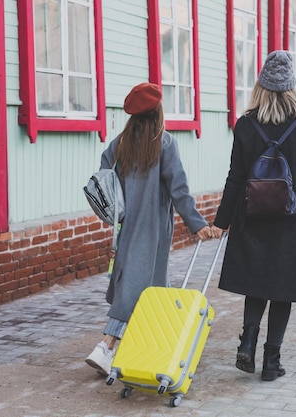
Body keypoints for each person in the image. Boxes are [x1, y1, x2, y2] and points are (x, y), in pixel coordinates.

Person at [209, 50, 296, 381]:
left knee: (256, 282)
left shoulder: (246, 125)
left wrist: (221, 222)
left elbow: (235, 177)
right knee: (284, 287)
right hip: (294, 218)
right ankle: (272, 362)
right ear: (294, 87)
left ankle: (247, 344)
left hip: (252, 215)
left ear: (260, 87)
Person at [85, 82, 212, 376]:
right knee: (140, 288)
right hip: (154, 228)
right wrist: (197, 225)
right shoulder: (164, 143)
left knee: (143, 285)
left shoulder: (120, 144)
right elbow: (179, 189)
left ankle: (148, 346)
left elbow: (105, 178)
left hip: (126, 226)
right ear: (157, 112)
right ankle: (106, 346)